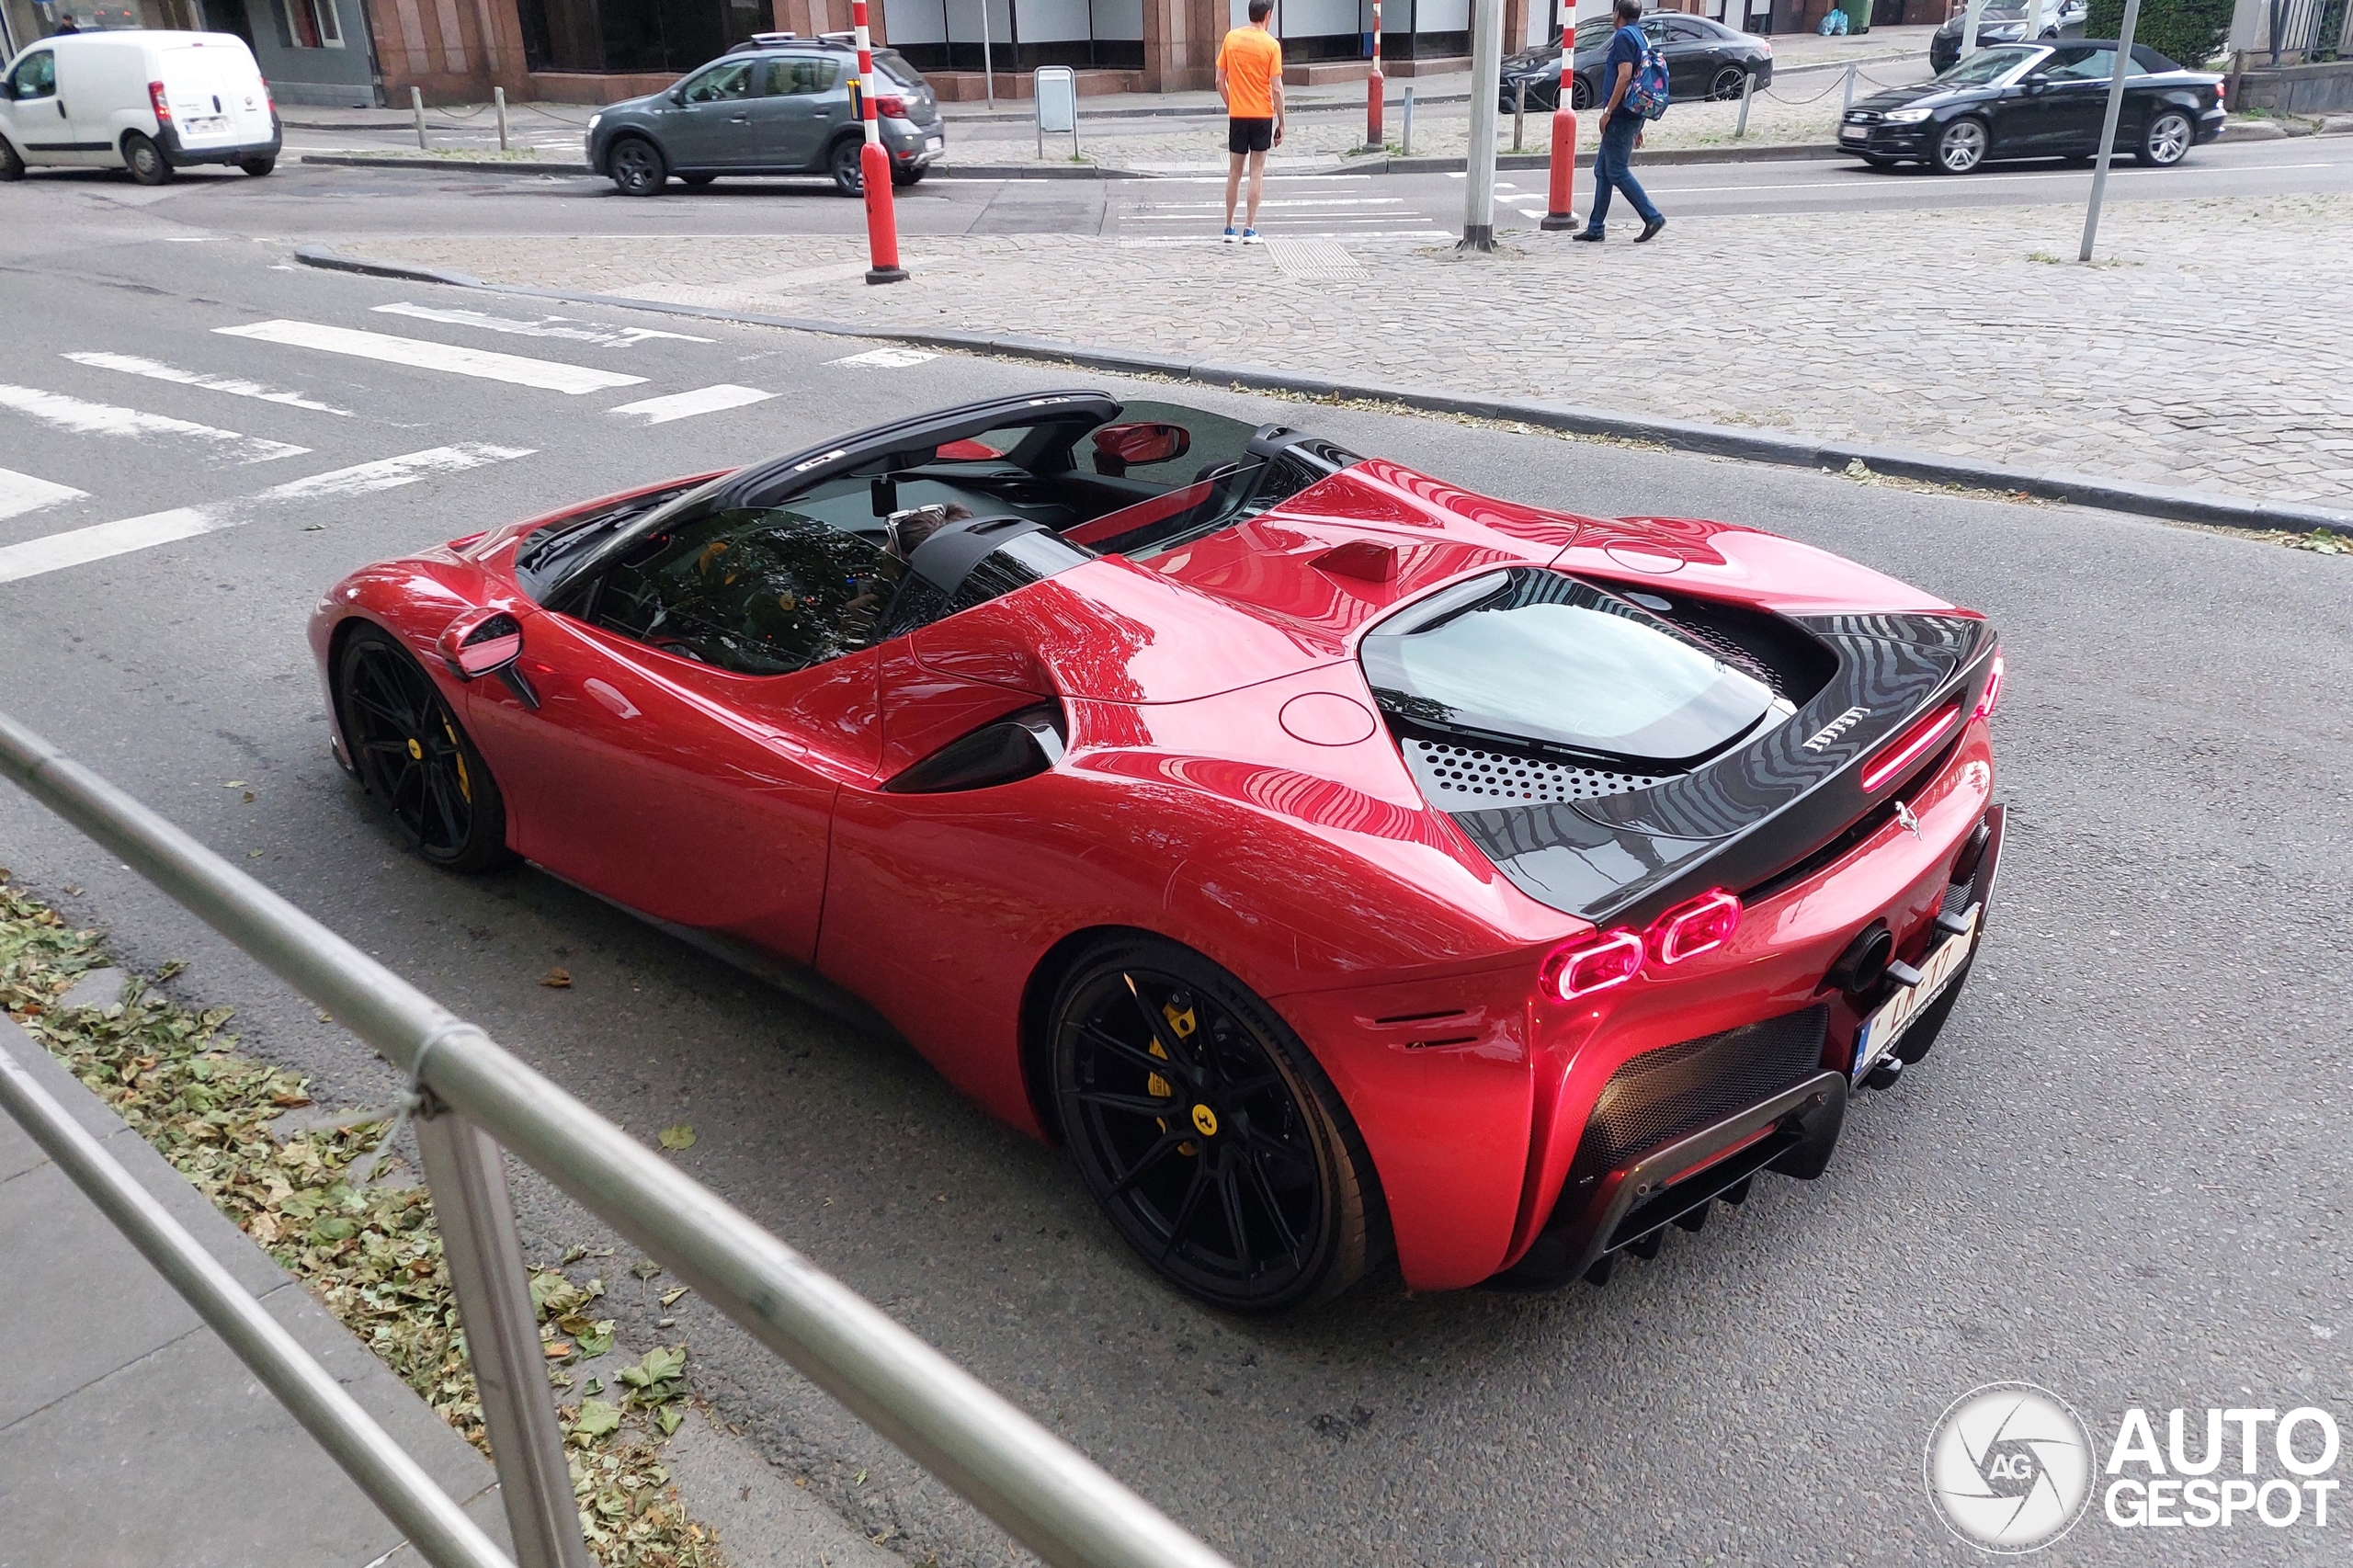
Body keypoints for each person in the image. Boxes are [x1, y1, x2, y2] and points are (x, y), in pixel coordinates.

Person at [1574, 0, 1666, 245]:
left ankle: (1652, 216)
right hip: (1633, 113)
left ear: (1618, 14)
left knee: (1616, 170)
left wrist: (1608, 111)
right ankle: (1595, 227)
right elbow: (1644, 79)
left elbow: (1626, 75)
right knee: (1603, 171)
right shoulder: (1641, 37)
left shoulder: (1623, 36)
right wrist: (1641, 123)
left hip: (1621, 114)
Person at [1217, 0, 1284, 244]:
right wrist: (1282, 122)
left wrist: (1232, 104)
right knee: (1257, 172)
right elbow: (1277, 89)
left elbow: (1219, 80)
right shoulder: (1271, 45)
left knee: (1234, 172)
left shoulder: (1231, 39)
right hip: (1262, 116)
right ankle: (1249, 228)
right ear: (1268, 15)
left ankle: (1228, 227)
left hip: (1238, 115)